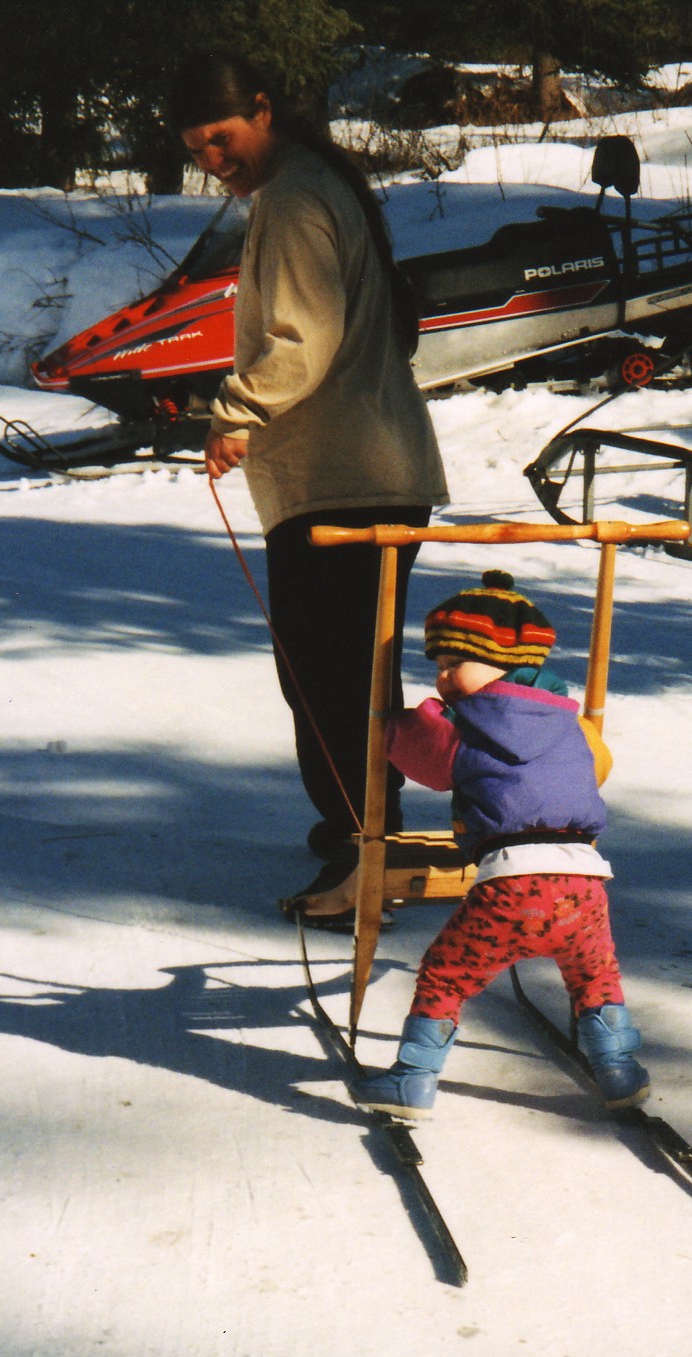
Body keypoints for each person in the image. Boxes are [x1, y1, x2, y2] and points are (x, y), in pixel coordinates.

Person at [170, 53, 449, 866]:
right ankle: (366, 836)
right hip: (362, 474)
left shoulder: (295, 198)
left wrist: (236, 412)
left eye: (221, 138)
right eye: (195, 149)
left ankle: (362, 849)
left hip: (344, 482)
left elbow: (302, 338)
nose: (212, 160)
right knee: (348, 675)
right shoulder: (307, 186)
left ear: (262, 111)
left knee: (330, 679)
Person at [351, 570, 650, 1119]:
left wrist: (404, 721)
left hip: (512, 887)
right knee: (594, 974)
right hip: (585, 883)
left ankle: (413, 1080)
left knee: (446, 974)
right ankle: (618, 1069)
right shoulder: (572, 724)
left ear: (504, 664)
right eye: (438, 666)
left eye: (454, 663)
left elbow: (419, 758)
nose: (442, 677)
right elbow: (599, 766)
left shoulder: (464, 728)